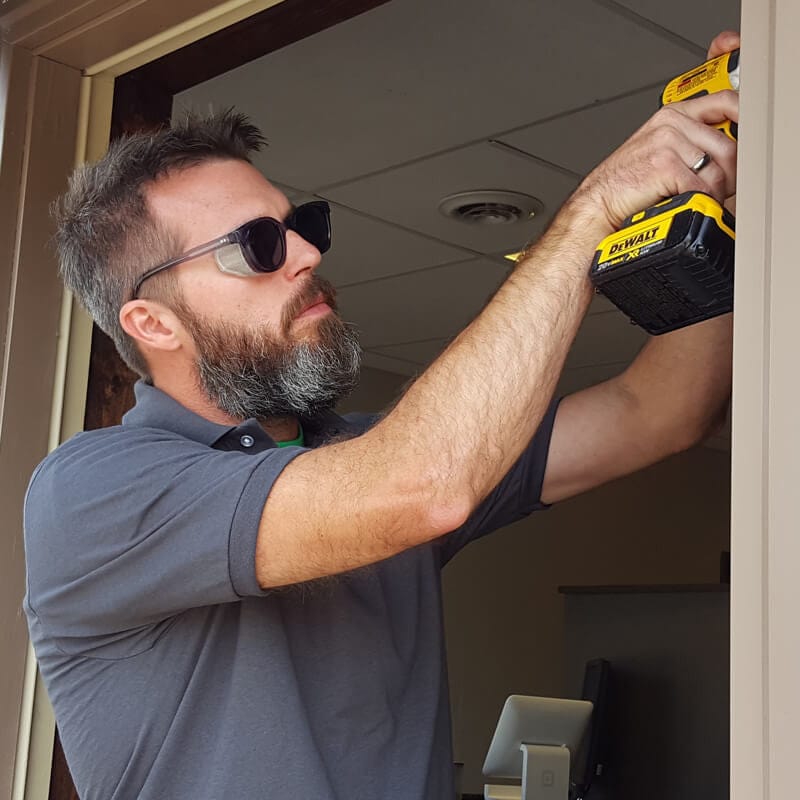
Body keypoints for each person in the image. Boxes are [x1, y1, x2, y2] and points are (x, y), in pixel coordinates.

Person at [23, 31, 740, 800]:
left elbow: (658, 411)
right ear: (153, 325)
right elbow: (422, 483)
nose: (306, 253)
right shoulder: (94, 493)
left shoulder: (364, 456)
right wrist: (592, 211)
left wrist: (719, 198)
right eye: (258, 246)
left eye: (303, 226)